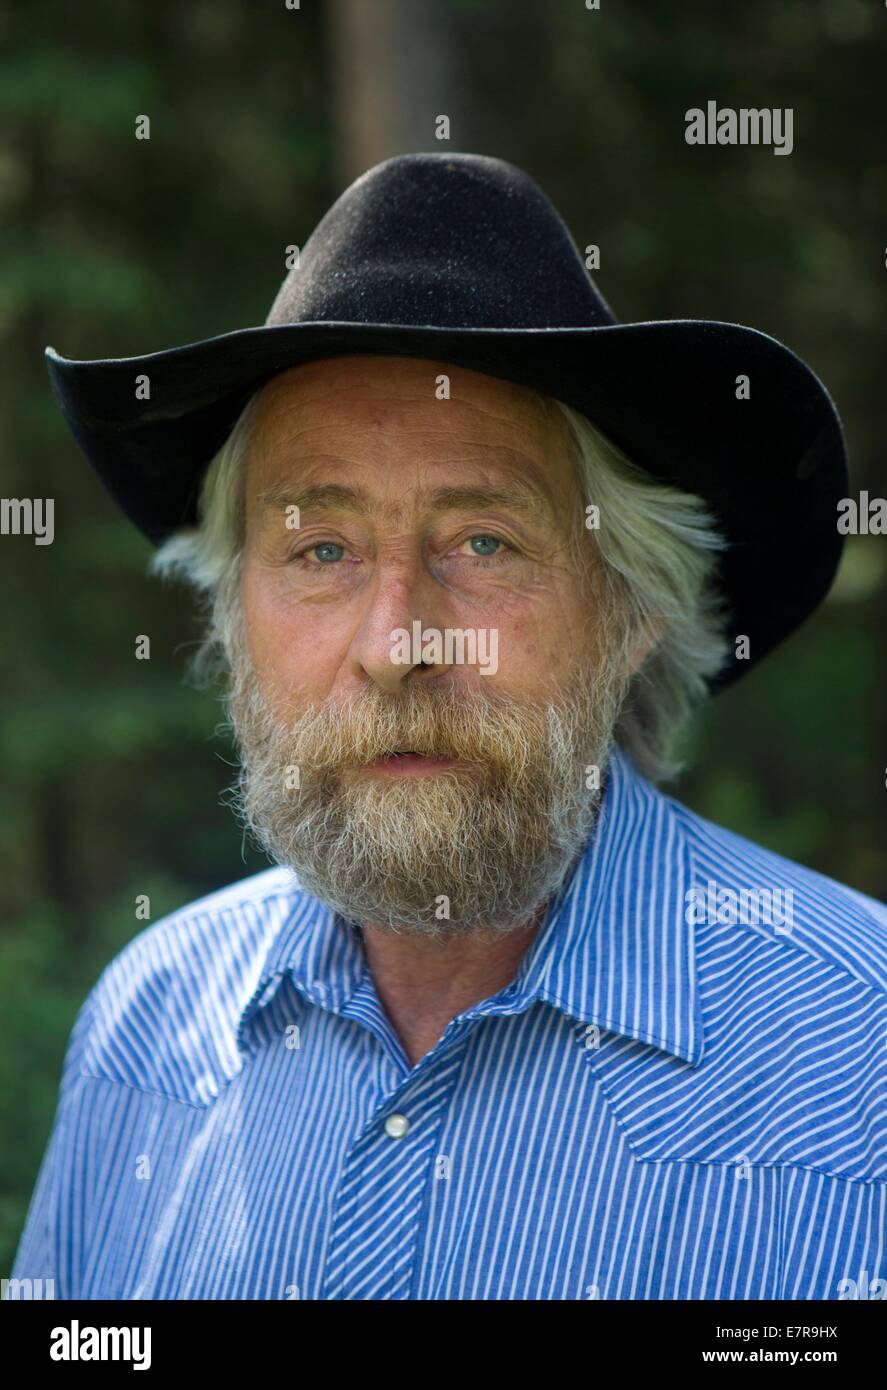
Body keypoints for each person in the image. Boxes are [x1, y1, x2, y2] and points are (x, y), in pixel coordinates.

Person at [11, 153, 885, 1301]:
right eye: (320, 550)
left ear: (629, 608)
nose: (396, 644)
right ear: (233, 618)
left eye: (483, 543)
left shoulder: (859, 1060)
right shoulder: (142, 1030)